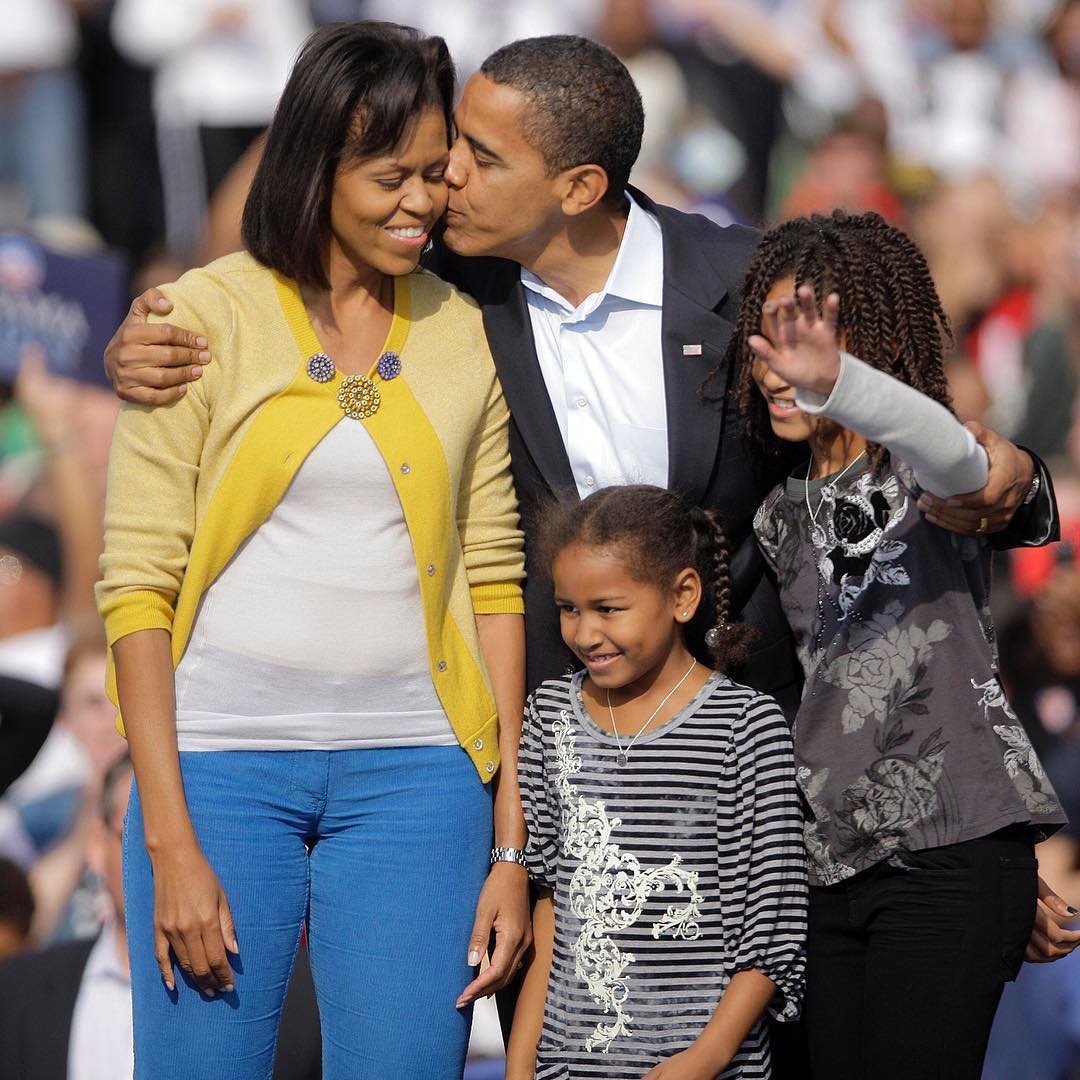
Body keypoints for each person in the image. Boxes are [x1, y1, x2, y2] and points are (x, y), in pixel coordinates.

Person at [99, 27, 1077, 1042]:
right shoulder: (440, 297)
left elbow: (901, 470)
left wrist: (970, 854)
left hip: (763, 805)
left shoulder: (746, 282)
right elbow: (283, 280)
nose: (444, 183)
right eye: (443, 156)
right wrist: (153, 336)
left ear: (577, 187)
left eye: (478, 159)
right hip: (564, 811)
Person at [95, 23, 529, 1079]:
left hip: (421, 783)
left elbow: (495, 580)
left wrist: (510, 843)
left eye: (436, 173)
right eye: (391, 176)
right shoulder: (198, 314)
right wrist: (168, 836)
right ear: (316, 165)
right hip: (216, 773)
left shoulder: (463, 327)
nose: (423, 201)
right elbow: (136, 588)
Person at [735, 210, 1069, 1078]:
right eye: (764, 340)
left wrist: (840, 383)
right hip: (825, 866)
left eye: (806, 339)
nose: (780, 364)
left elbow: (960, 453)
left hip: (950, 857)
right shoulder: (773, 513)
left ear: (869, 345)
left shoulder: (936, 475)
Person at [505, 485, 807, 1078]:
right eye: (569, 608)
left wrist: (707, 1057)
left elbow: (773, 923)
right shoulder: (550, 716)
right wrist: (519, 1068)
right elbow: (553, 914)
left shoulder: (744, 725)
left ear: (683, 596)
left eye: (609, 608)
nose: (585, 633)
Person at [0, 755, 324, 1080]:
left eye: (195, 840)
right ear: (97, 845)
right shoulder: (16, 990)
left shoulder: (304, 999)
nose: (172, 861)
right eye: (140, 833)